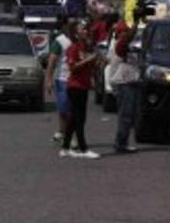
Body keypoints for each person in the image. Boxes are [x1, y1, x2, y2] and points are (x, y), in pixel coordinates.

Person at [62, 24, 101, 159]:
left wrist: (96, 61)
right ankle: (83, 148)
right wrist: (87, 60)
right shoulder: (73, 48)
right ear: (77, 34)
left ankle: (65, 147)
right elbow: (73, 67)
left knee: (74, 119)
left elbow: (90, 67)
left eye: (86, 29)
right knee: (79, 118)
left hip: (83, 86)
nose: (86, 31)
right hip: (75, 86)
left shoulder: (86, 48)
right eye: (82, 30)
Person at [108, 21, 140, 154]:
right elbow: (128, 38)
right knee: (125, 115)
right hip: (123, 83)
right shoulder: (120, 44)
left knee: (127, 114)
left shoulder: (122, 44)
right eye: (125, 31)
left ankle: (122, 142)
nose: (128, 33)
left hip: (126, 82)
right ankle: (121, 144)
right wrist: (136, 23)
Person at [44, 16, 74, 145]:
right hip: (62, 79)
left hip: (76, 80)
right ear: (64, 26)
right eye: (72, 24)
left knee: (71, 109)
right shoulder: (59, 41)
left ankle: (69, 134)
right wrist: (49, 79)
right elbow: (52, 62)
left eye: (76, 24)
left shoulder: (80, 40)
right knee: (63, 109)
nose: (75, 27)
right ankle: (62, 132)